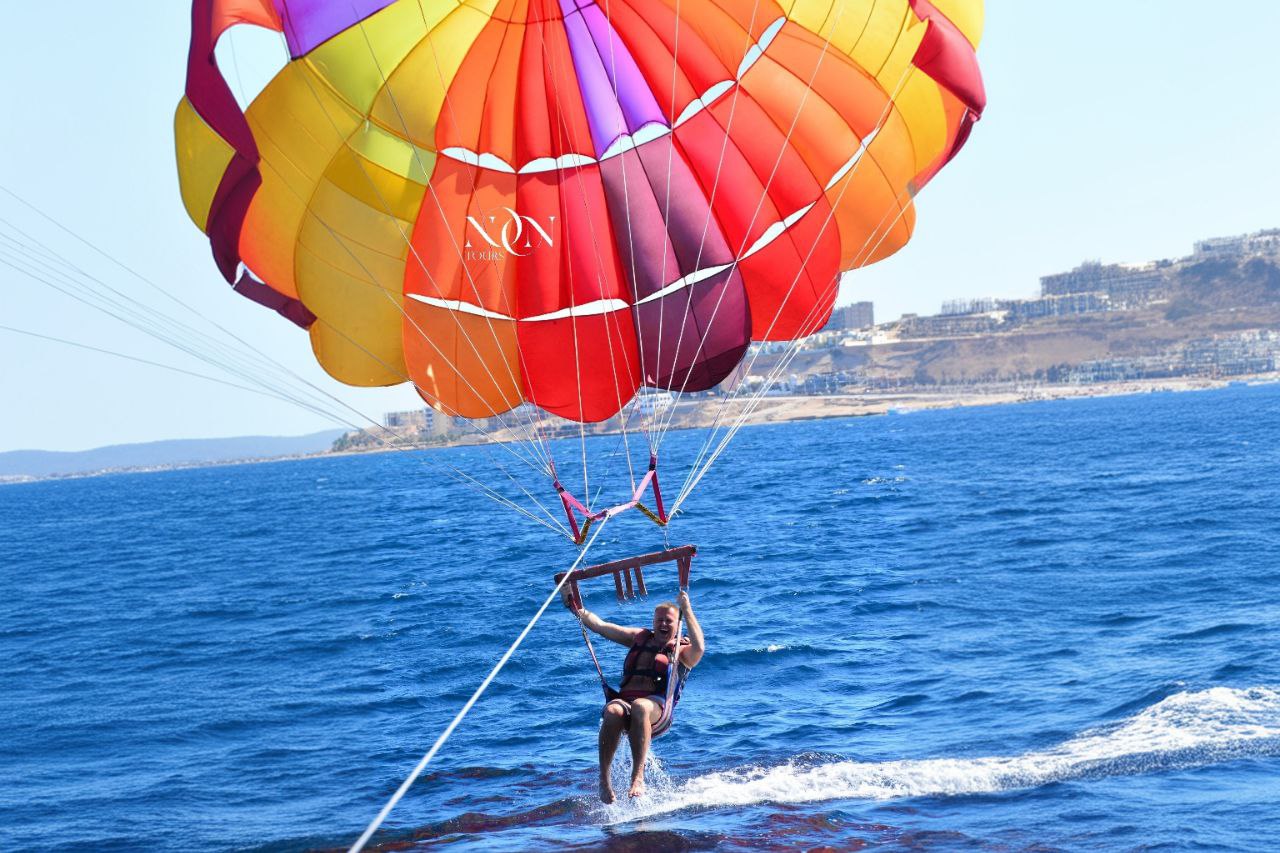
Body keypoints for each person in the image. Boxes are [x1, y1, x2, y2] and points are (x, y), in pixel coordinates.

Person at [566, 589, 705, 802]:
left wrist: (686, 609)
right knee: (612, 710)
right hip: (625, 702)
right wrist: (577, 608)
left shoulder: (682, 652)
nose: (663, 625)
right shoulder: (639, 638)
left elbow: (700, 647)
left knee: (641, 705)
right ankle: (604, 781)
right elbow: (601, 627)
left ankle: (638, 777)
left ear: (678, 626)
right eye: (659, 620)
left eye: (669, 621)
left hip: (657, 710)